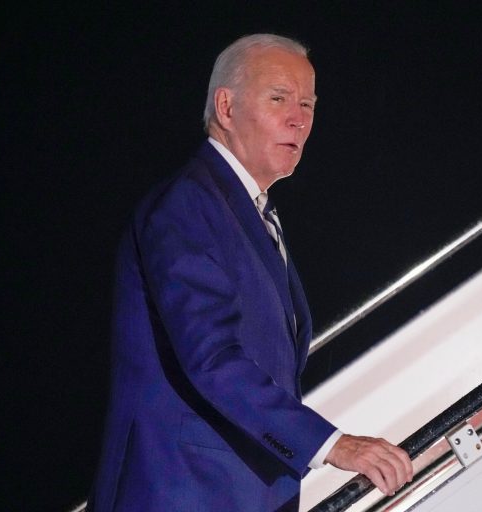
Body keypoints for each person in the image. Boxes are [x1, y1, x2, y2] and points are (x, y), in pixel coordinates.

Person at [89, 33, 412, 511]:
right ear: (226, 107)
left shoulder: (253, 213)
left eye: (307, 104)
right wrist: (332, 445)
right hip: (184, 494)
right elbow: (212, 357)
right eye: (279, 98)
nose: (298, 119)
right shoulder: (188, 204)